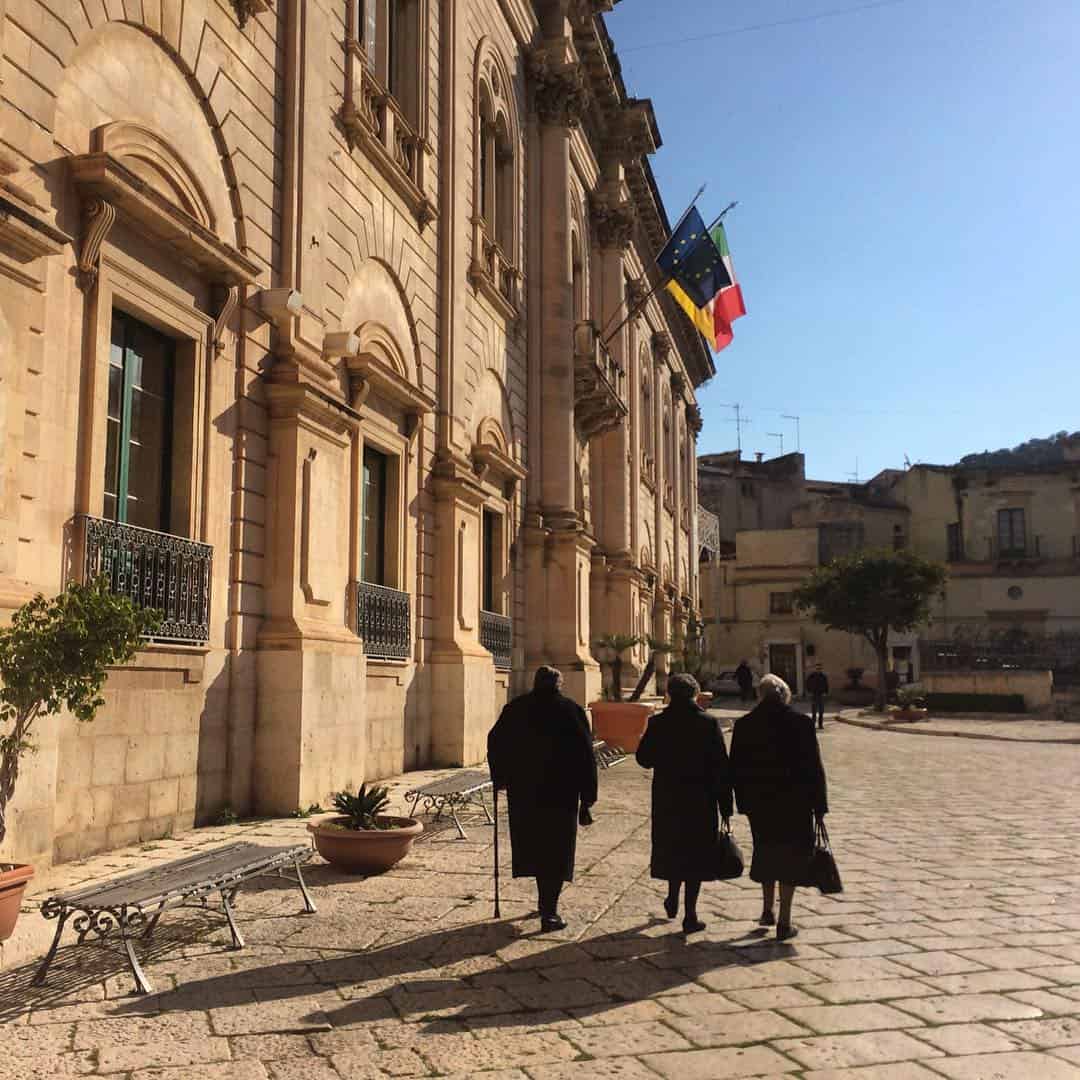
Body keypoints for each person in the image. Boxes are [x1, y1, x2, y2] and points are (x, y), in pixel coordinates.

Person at [487, 666, 598, 932]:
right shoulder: (571, 710)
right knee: (556, 852)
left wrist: (500, 777)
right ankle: (548, 911)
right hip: (561, 794)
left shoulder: (516, 708)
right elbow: (586, 756)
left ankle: (545, 904)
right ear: (559, 685)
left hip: (525, 792)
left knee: (535, 847)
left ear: (535, 683)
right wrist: (588, 798)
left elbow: (495, 741)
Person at [729, 673, 828, 942]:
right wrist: (820, 806)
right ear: (785, 694)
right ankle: (784, 919)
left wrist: (741, 802)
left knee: (766, 851)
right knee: (792, 858)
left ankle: (766, 910)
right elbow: (813, 768)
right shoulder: (801, 723)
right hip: (796, 803)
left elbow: (735, 769)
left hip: (760, 804)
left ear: (760, 695)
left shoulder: (745, 725)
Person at [636, 673, 733, 935]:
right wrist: (726, 805)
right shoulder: (708, 724)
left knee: (672, 847)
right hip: (701, 800)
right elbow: (721, 767)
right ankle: (690, 914)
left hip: (669, 797)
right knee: (696, 853)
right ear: (695, 694)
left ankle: (671, 896)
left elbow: (644, 759)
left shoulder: (657, 724)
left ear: (669, 693)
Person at [806, 663, 829, 730]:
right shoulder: (811, 676)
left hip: (821, 695)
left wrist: (825, 692)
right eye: (817, 668)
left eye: (820, 668)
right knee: (814, 711)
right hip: (814, 695)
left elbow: (826, 685)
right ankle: (813, 725)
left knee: (821, 711)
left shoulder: (823, 676)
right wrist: (809, 692)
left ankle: (820, 725)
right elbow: (807, 684)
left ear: (821, 669)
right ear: (815, 669)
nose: (818, 670)